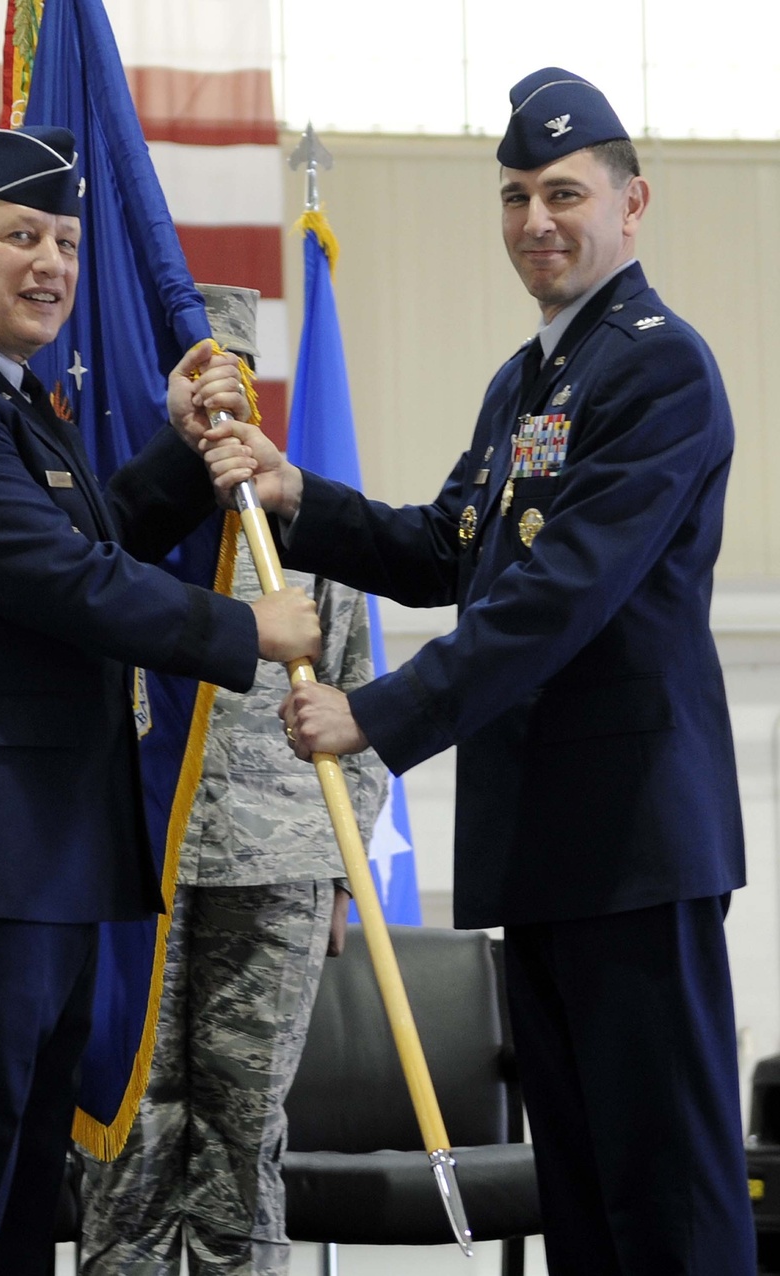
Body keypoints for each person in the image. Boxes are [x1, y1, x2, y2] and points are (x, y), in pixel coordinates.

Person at [202, 68, 757, 1276]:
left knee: (664, 1191)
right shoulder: (529, 379)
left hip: (636, 843)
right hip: (549, 844)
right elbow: (451, 545)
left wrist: (376, 712)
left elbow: (561, 597)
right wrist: (300, 500)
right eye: (512, 197)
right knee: (585, 1193)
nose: (534, 223)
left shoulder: (659, 368)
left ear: (631, 202)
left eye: (562, 193)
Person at [0, 124, 320, 1276]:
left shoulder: (6, 401)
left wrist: (178, 447)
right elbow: (66, 581)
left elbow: (79, 537)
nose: (50, 262)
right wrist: (248, 630)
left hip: (34, 868)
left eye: (64, 240)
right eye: (19, 235)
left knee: (9, 1227)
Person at [75, 285, 386, 1276]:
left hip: (276, 865)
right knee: (127, 1141)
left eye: (235, 379)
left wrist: (343, 868)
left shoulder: (303, 526)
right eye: (201, 381)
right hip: (139, 872)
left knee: (243, 1148)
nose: (220, 403)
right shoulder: (114, 535)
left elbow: (360, 709)